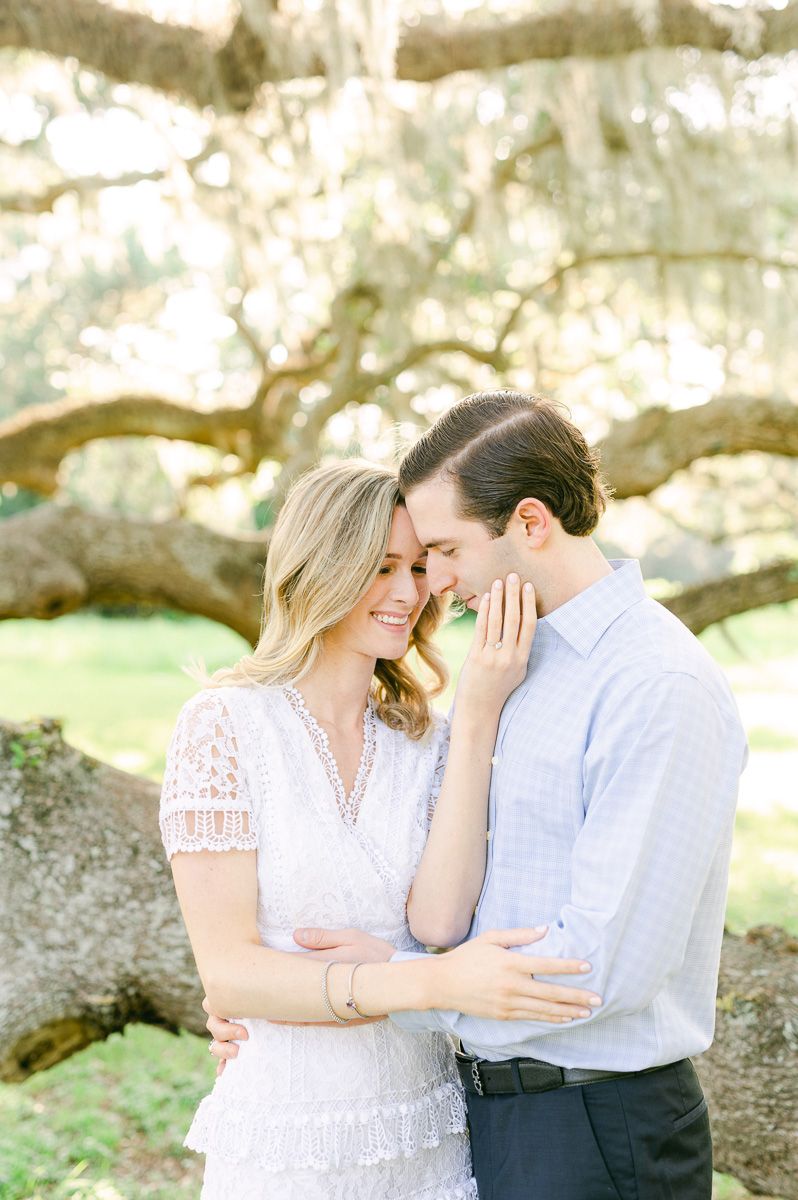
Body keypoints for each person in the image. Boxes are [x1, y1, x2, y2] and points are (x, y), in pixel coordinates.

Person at [209, 392, 748, 1200]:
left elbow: (599, 969)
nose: (434, 585)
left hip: (594, 1127)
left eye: (444, 552)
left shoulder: (655, 684)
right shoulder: (508, 665)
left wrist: (399, 987)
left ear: (530, 523)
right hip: (483, 1121)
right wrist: (286, 1013)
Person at [160, 458, 600, 1199]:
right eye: (381, 566)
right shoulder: (226, 725)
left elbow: (437, 917)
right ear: (320, 567)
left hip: (427, 1131)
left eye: (420, 566)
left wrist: (479, 715)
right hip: (287, 1138)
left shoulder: (425, 740)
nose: (408, 592)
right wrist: (432, 982)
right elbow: (230, 972)